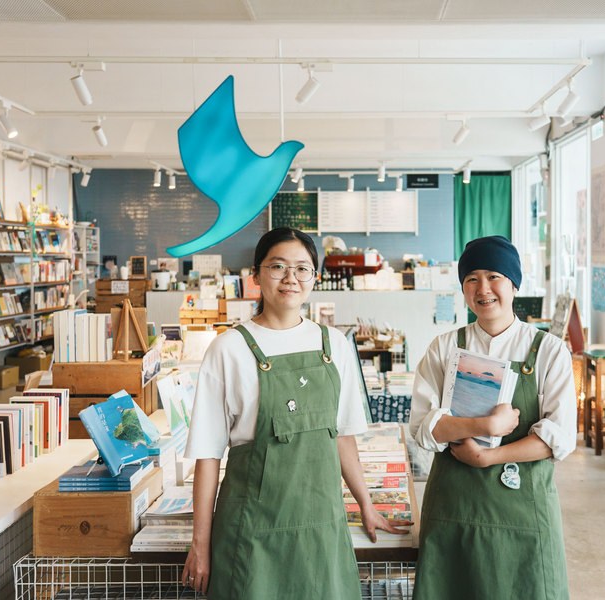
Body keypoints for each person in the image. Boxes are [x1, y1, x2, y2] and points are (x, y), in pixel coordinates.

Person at [181, 227, 409, 598]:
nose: (291, 278)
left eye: (303, 269)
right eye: (278, 267)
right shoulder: (228, 349)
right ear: (255, 275)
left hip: (322, 528)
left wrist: (366, 504)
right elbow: (207, 455)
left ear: (315, 278)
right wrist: (200, 545)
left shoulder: (333, 343)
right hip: (252, 531)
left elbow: (343, 436)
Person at [409, 235, 577, 600]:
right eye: (471, 279)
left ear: (514, 283)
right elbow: (425, 428)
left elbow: (557, 437)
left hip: (523, 515)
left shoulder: (548, 351)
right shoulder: (444, 348)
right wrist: (484, 427)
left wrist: (488, 456)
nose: (483, 289)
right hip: (454, 511)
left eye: (493, 276)